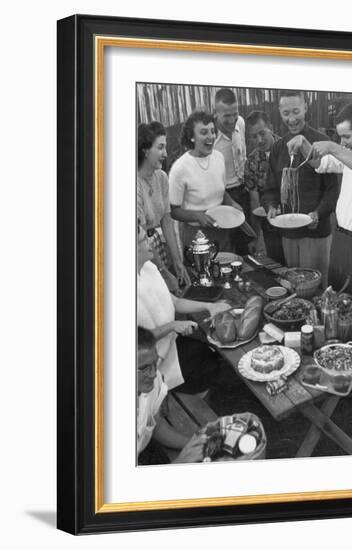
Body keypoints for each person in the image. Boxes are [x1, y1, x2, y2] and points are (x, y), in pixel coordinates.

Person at [287, 102, 352, 297]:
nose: (344, 143)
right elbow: (320, 164)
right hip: (339, 238)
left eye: (346, 136)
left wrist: (332, 146)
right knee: (335, 296)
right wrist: (303, 143)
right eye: (340, 138)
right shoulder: (350, 152)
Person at [137, 222, 231, 391]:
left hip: (171, 342)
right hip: (154, 361)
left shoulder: (148, 268)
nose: (151, 242)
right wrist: (173, 326)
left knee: (210, 352)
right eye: (144, 239)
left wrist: (209, 306)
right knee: (210, 364)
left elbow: (174, 301)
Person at [263, 90, 338, 287]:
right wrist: (271, 206)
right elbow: (269, 188)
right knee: (294, 285)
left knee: (317, 286)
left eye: (296, 111)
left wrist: (318, 213)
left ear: (305, 107)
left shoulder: (322, 143)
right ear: (279, 112)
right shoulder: (278, 148)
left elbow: (332, 190)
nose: (292, 118)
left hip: (316, 233)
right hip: (288, 233)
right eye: (286, 113)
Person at [169, 111, 242, 251]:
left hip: (222, 229)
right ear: (192, 137)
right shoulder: (180, 168)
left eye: (213, 131)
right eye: (203, 132)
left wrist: (232, 203)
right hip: (196, 234)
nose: (210, 137)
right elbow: (173, 211)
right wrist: (198, 216)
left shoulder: (219, 158)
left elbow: (220, 191)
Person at [137, 326, 208, 464]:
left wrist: (194, 444)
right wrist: (181, 461)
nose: (153, 374)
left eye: (155, 363)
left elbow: (157, 426)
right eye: (144, 368)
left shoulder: (154, 380)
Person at [137, 122, 190, 293]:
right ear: (145, 150)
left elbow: (167, 222)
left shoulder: (161, 177)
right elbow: (141, 235)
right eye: (160, 148)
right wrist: (163, 272)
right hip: (140, 252)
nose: (165, 154)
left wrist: (177, 262)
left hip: (158, 247)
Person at [213, 88, 253, 254]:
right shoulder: (210, 138)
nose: (232, 120)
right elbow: (210, 180)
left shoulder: (241, 123)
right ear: (216, 113)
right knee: (227, 248)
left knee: (247, 245)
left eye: (234, 114)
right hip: (222, 197)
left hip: (244, 191)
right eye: (226, 116)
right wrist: (229, 201)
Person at [243, 110, 284, 262]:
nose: (259, 140)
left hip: (292, 222)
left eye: (262, 133)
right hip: (269, 224)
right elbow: (254, 200)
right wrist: (257, 235)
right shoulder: (251, 161)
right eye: (254, 136)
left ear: (271, 128)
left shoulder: (288, 149)